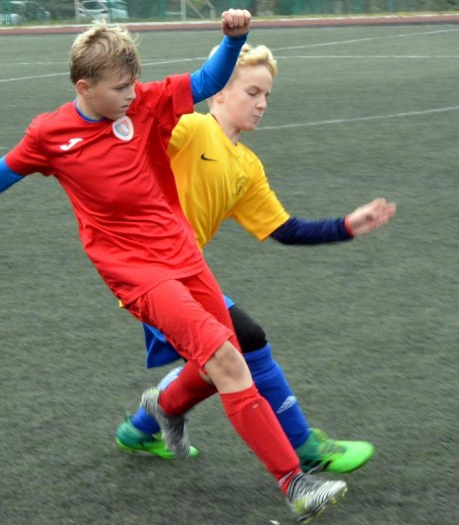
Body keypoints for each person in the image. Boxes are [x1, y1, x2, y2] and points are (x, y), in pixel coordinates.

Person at [0, 13, 350, 524]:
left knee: (222, 359)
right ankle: (294, 483)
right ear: (84, 88)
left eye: (134, 83)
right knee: (226, 358)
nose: (131, 95)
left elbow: (206, 81)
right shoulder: (50, 133)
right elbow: (9, 167)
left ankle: (163, 409)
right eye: (119, 88)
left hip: (184, 256)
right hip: (137, 274)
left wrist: (233, 40)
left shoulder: (147, 103)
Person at [115, 44, 396, 476]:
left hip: (186, 274)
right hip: (147, 273)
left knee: (217, 360)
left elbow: (284, 228)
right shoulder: (191, 128)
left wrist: (347, 225)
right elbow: (140, 135)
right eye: (252, 92)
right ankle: (304, 446)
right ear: (218, 92)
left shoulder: (247, 165)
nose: (262, 103)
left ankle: (142, 427)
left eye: (266, 95)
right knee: (245, 339)